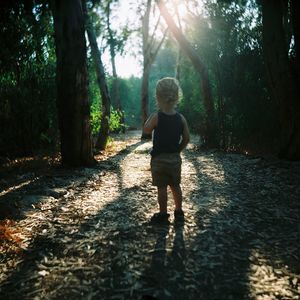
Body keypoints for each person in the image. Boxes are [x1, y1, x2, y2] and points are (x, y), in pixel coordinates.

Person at [143, 77, 190, 224]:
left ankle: (163, 214)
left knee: (162, 187)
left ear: (157, 97)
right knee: (176, 186)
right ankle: (179, 212)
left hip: (159, 159)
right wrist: (178, 150)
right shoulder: (181, 118)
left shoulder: (157, 117)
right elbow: (187, 138)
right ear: (177, 97)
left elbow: (146, 130)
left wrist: (150, 117)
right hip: (174, 158)